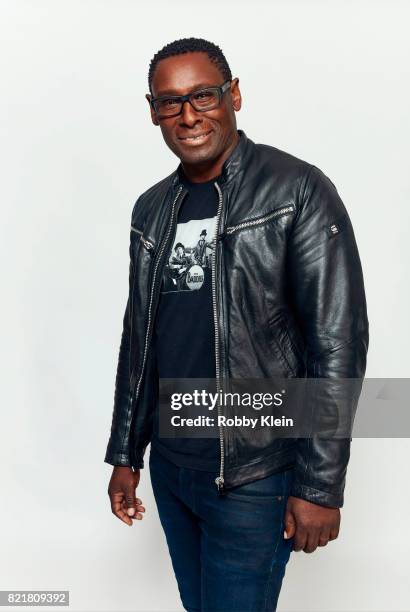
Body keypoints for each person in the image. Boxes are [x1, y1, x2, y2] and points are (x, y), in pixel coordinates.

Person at [105, 37, 369, 611]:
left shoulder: (296, 190)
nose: (188, 114)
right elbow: (139, 341)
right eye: (170, 102)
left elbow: (337, 344)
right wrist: (126, 453)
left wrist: (319, 486)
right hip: (174, 473)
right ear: (153, 111)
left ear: (234, 95)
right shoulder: (151, 209)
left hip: (255, 474)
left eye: (203, 95)